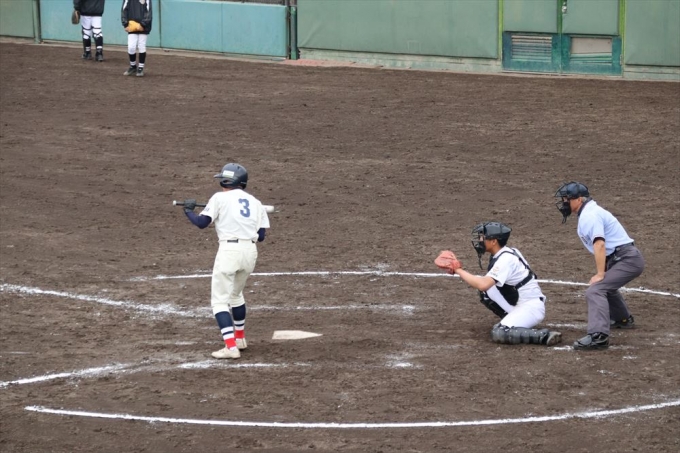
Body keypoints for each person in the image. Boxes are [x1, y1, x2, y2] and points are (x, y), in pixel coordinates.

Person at [182, 163, 270, 359]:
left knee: (220, 302)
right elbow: (261, 236)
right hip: (250, 252)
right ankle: (239, 339)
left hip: (229, 251)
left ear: (225, 181)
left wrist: (188, 211)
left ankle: (230, 347)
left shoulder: (219, 198)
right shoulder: (256, 202)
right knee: (236, 295)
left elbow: (202, 223)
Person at [434, 222, 562, 346]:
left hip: (531, 308)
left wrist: (457, 269)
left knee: (499, 332)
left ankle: (544, 336)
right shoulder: (505, 252)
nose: (479, 240)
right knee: (485, 288)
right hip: (519, 302)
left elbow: (483, 284)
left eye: (483, 237)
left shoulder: (506, 259)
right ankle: (512, 321)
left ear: (494, 241)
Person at [555, 181, 644, 350]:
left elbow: (599, 244)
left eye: (567, 199)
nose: (564, 203)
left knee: (596, 289)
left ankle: (598, 337)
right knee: (606, 286)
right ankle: (622, 318)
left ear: (579, 199)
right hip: (621, 257)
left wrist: (600, 273)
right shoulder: (589, 212)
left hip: (627, 259)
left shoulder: (590, 215)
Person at [121, 0, 153, 77]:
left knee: (141, 45)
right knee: (131, 47)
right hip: (132, 25)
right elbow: (124, 10)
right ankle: (133, 66)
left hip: (143, 27)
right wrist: (125, 24)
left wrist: (143, 24)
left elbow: (149, 11)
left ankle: (140, 68)